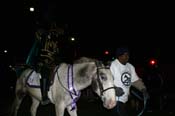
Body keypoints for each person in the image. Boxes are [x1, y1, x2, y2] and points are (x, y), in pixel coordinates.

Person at [26, 23, 64, 105]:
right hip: (42, 61)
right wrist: (41, 60)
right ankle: (44, 97)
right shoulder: (44, 38)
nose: (56, 34)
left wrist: (58, 61)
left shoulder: (55, 42)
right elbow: (40, 49)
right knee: (45, 72)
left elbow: (56, 54)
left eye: (57, 33)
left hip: (52, 62)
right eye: (55, 32)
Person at [110, 46, 149, 116]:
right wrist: (114, 88)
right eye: (125, 55)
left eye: (128, 55)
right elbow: (107, 81)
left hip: (125, 99)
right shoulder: (113, 65)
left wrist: (143, 89)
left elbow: (135, 80)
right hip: (115, 99)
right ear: (119, 56)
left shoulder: (130, 67)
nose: (127, 57)